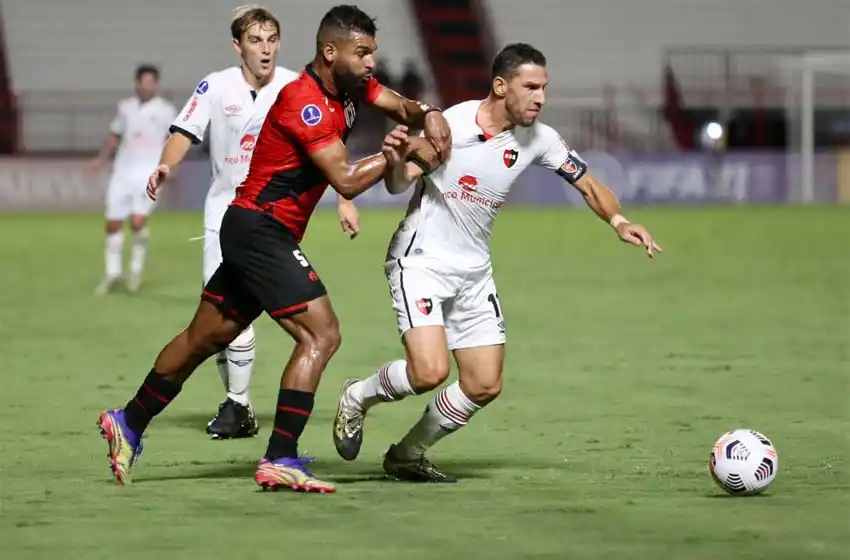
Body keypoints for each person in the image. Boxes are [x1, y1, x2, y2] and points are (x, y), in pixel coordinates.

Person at [96, 4, 451, 494]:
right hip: (260, 230)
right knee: (321, 335)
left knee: (204, 336)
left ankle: (128, 421)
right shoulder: (303, 101)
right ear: (331, 52)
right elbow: (345, 178)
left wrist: (428, 113)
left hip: (254, 230)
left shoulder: (351, 87)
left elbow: (397, 103)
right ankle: (281, 457)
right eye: (362, 53)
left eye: (373, 53)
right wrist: (403, 150)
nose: (372, 63)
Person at [332, 43, 662, 482]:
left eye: (544, 88)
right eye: (531, 87)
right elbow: (398, 185)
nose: (540, 97)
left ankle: (407, 454)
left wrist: (619, 220)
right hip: (421, 262)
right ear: (501, 86)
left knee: (484, 383)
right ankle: (357, 395)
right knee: (429, 372)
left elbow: (588, 183)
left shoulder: (539, 139)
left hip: (473, 271)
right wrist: (397, 161)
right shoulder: (452, 124)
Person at [144, 5, 306, 440]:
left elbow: (320, 144)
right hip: (225, 215)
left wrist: (345, 199)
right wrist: (165, 166)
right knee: (221, 319)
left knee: (245, 316)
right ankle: (240, 406)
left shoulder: (294, 86)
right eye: (256, 41)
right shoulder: (216, 86)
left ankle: (238, 406)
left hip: (274, 217)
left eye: (271, 39)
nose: (265, 49)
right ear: (238, 46)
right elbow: (184, 131)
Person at [90, 65, 176, 295]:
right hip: (122, 172)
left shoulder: (166, 110)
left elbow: (175, 139)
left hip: (150, 174)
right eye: (143, 81)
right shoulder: (125, 107)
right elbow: (115, 136)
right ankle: (113, 274)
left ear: (156, 84)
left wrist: (171, 165)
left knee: (138, 221)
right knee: (113, 223)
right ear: (137, 83)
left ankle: (135, 272)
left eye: (151, 81)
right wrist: (101, 160)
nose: (147, 85)